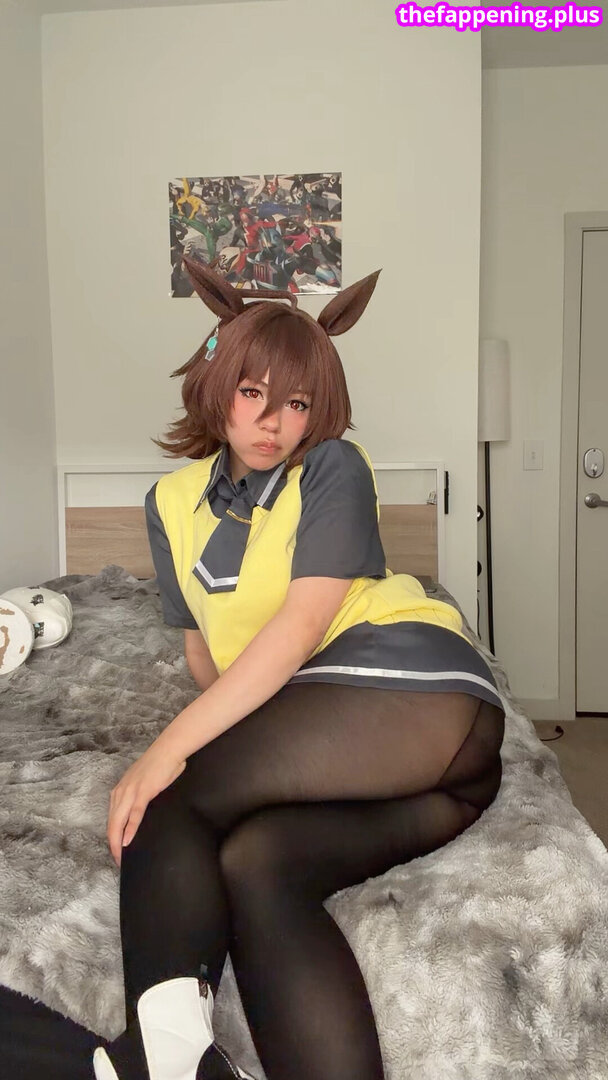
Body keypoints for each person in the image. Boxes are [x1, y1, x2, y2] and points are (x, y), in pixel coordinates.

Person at [93, 256, 505, 1080]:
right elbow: (205, 648)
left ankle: (160, 1061)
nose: (272, 421)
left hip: (414, 688)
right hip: (441, 784)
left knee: (169, 796)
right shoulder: (169, 505)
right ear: (218, 386)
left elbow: (300, 627)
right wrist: (242, 744)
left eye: (297, 402)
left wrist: (170, 748)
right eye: (253, 392)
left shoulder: (331, 468)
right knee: (259, 862)